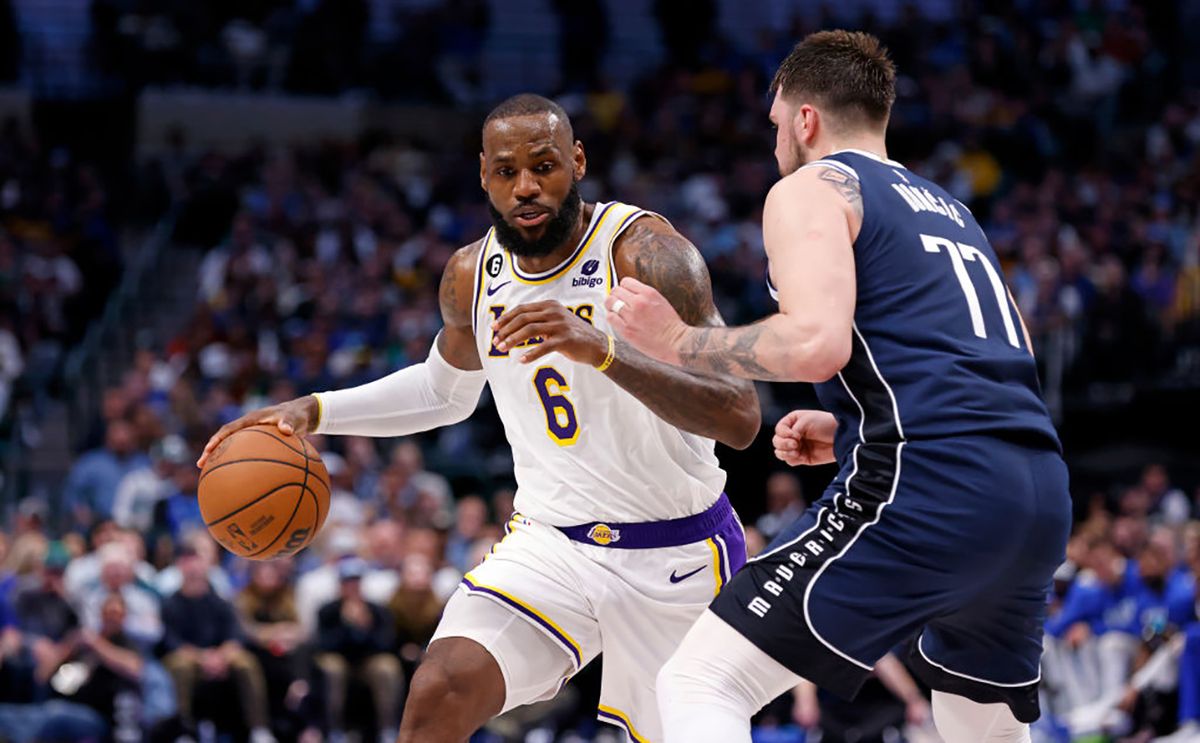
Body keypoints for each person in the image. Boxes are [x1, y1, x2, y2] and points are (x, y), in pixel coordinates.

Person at [199, 93, 760, 742]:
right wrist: (315, 409)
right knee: (440, 687)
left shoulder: (646, 254)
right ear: (484, 176)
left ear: (578, 161)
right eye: (506, 171)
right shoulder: (472, 274)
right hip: (553, 545)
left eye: (544, 165)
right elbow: (445, 392)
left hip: (678, 554)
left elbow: (741, 414)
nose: (526, 187)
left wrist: (600, 350)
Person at [608, 31, 1071, 743]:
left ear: (804, 119)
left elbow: (815, 346)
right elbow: (1009, 353)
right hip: (1035, 493)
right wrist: (857, 424)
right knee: (979, 728)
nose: (773, 147)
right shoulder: (953, 210)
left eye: (773, 127)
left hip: (934, 483)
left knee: (700, 680)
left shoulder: (812, 188)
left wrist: (676, 341)